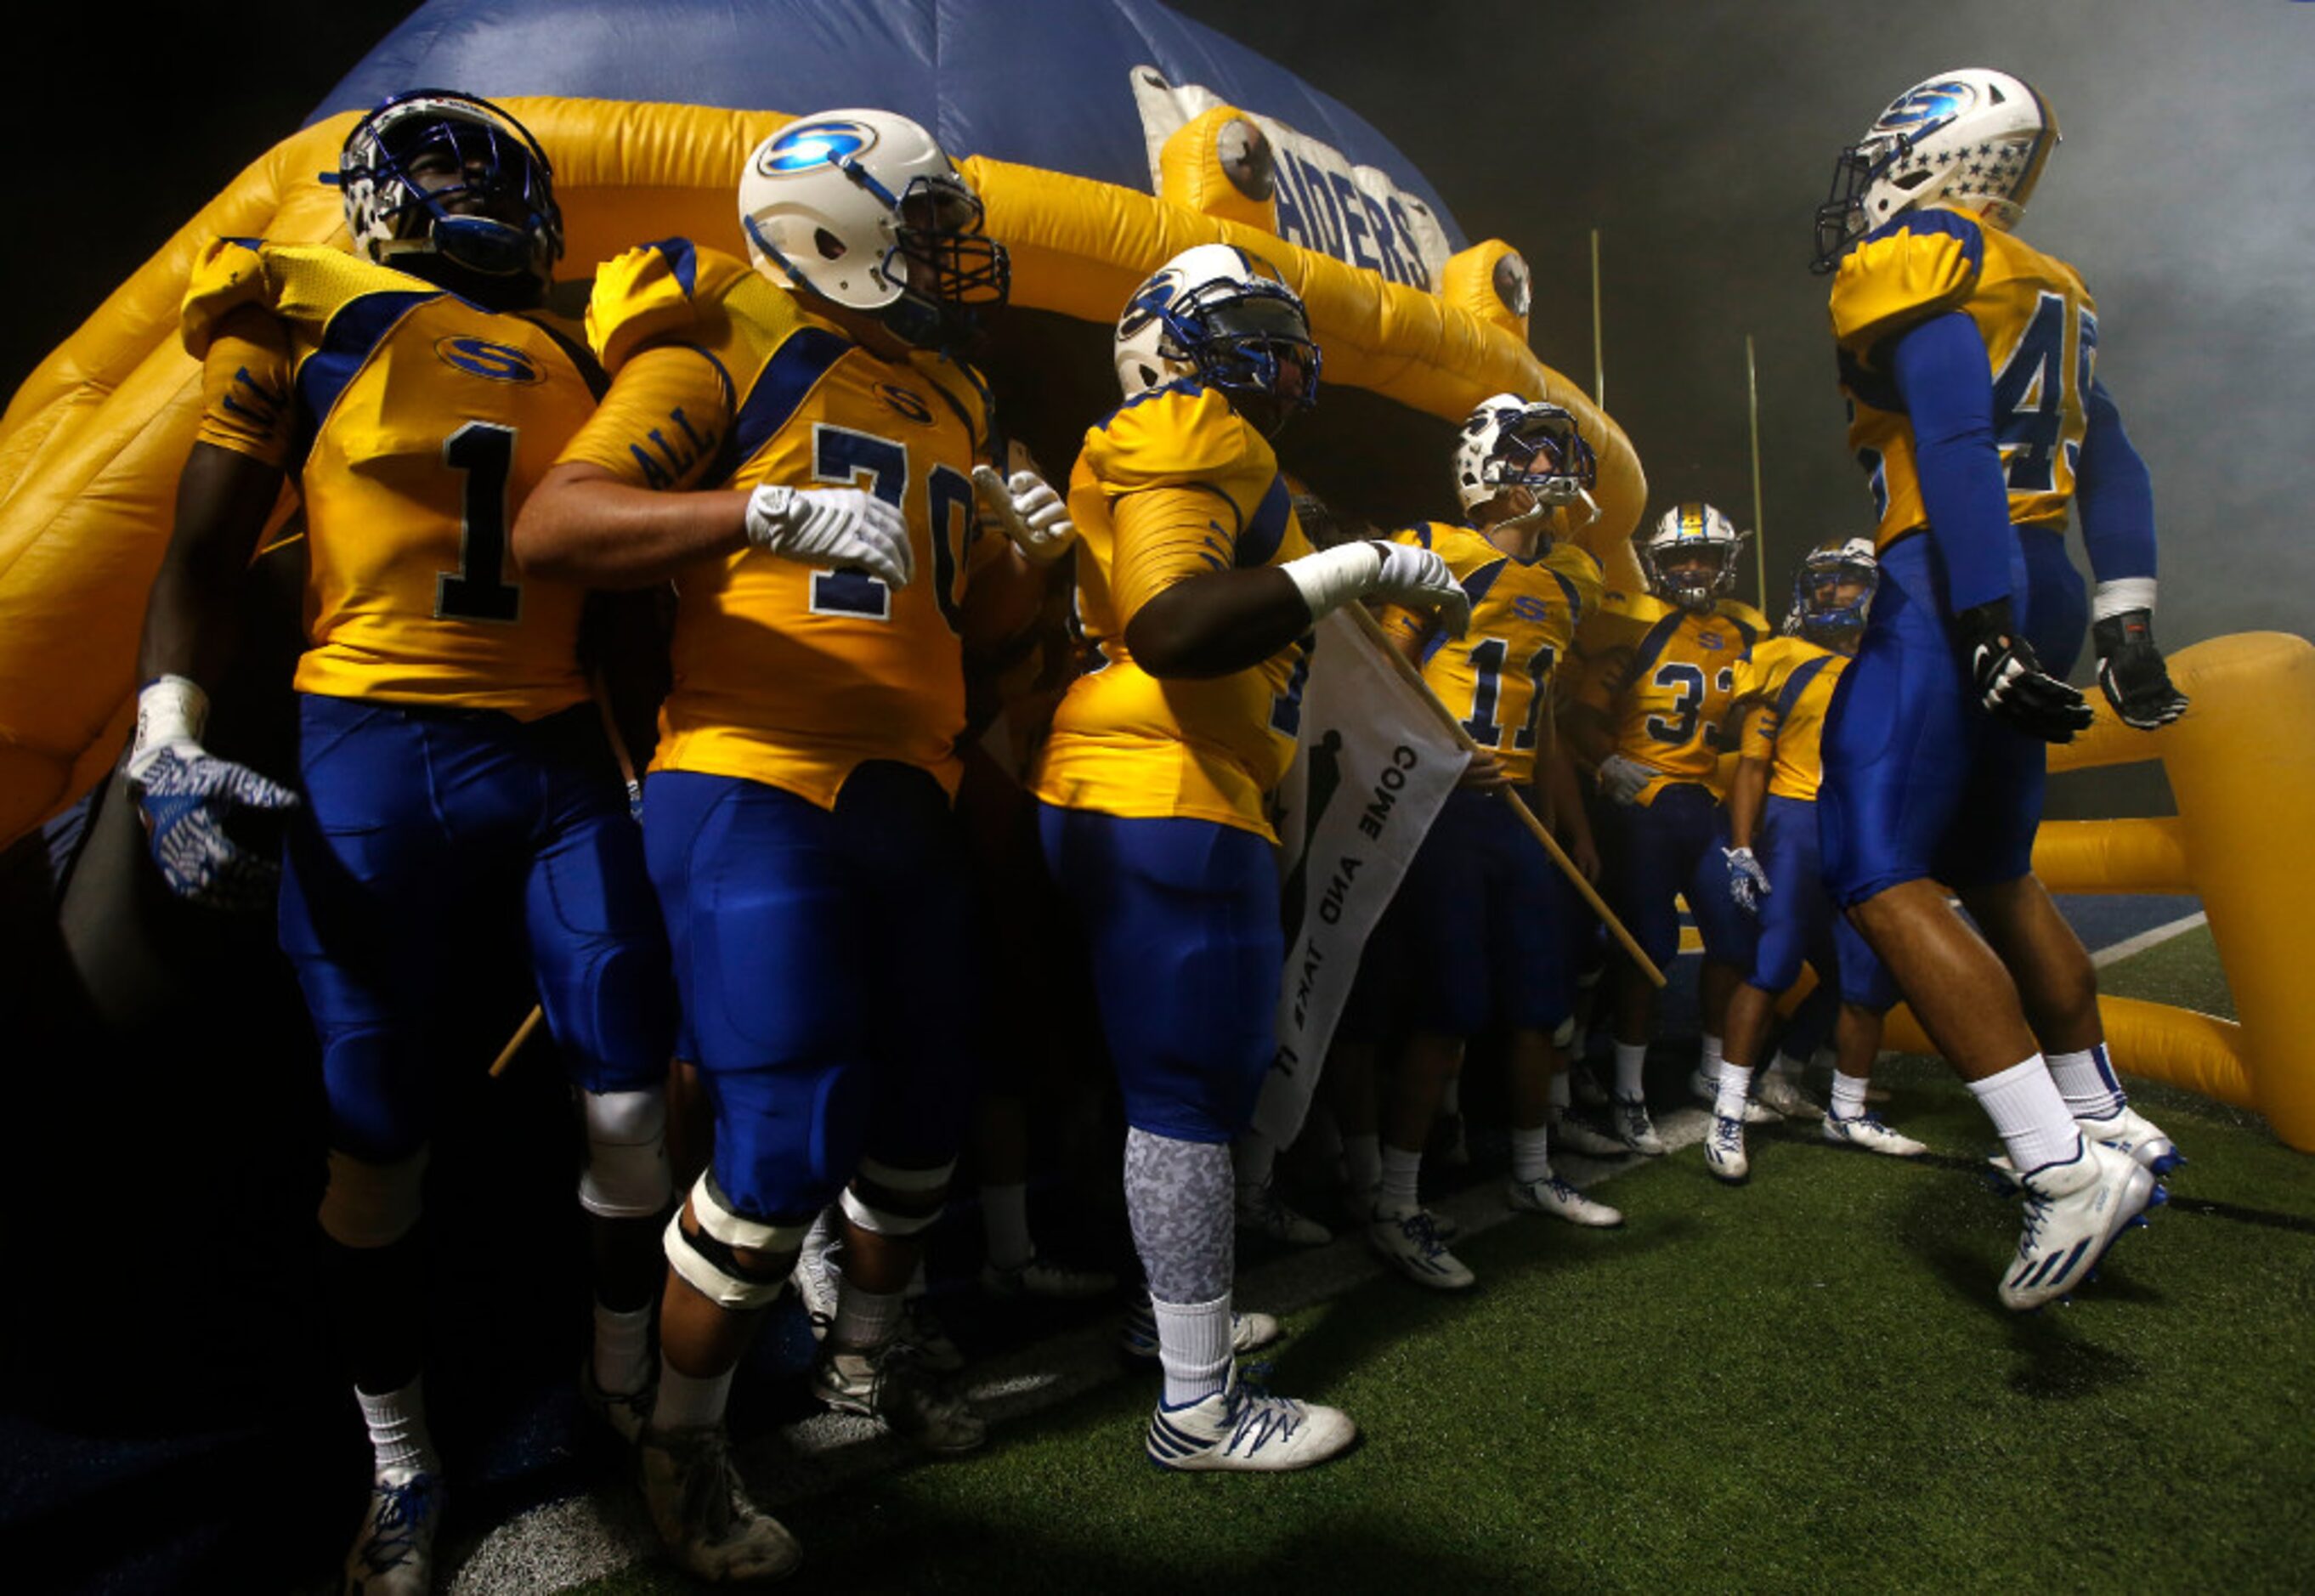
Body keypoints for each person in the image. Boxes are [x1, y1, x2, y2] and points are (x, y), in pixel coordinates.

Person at [129, 90, 677, 1593]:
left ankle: (624, 1381)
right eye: (439, 164)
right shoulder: (296, 319)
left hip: (559, 744)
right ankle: (398, 1454)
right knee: (373, 1128)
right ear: (375, 196)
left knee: (630, 1099)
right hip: (370, 740)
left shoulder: (584, 358)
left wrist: (656, 770)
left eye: (491, 170)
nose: (468, 191)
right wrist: (165, 736)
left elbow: (622, 589)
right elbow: (201, 554)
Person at [515, 108, 1060, 1580]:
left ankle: (868, 1358)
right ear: (830, 224)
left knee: (921, 1121)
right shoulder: (725, 344)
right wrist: (754, 509)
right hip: (754, 777)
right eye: (925, 219)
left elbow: (987, 638)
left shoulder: (953, 385)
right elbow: (555, 525)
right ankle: (678, 1440)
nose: (954, 249)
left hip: (911, 791)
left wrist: (1031, 561)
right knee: (779, 1141)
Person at [1032, 241, 1467, 1469]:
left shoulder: (1215, 441)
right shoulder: (1190, 423)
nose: (1278, 344)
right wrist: (1357, 565)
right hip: (1161, 783)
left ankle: (1161, 1319)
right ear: (1166, 338)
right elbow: (1173, 626)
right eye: (1246, 320)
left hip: (1164, 780)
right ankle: (1197, 1409)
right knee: (1188, 1089)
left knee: (1176, 1088)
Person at [1812, 68, 2187, 1309]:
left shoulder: (1922, 257)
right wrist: (2126, 614)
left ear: (1927, 156)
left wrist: (1975, 618)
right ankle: (2105, 1117)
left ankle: (2058, 1165)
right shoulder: (2055, 283)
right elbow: (2115, 458)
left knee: (1874, 869)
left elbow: (1959, 437)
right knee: (1996, 868)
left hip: (1953, 572)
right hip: (2050, 569)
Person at [1356, 394, 1623, 1290]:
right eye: (1533, 453)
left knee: (1538, 1003)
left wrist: (1569, 823)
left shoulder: (1576, 574)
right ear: (1483, 464)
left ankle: (1531, 1173)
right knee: (1446, 1009)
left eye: (1557, 453)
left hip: (1517, 814)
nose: (1552, 470)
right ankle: (1396, 1202)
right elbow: (1382, 674)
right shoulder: (1439, 549)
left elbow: (1542, 717)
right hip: (1441, 810)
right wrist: (1435, 754)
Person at [1705, 539, 1924, 1182]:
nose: (1832, 593)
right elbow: (1752, 763)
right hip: (1799, 819)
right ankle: (1727, 1111)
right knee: (1772, 964)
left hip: (1866, 829)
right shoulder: (1783, 660)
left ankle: (1846, 1110)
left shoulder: (1895, 664)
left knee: (1867, 976)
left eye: (1847, 582)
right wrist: (1743, 847)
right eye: (1823, 582)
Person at [1563, 503, 1765, 1155]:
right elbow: (1581, 717)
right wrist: (1610, 761)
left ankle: (1711, 1071)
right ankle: (1628, 1092)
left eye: (1705, 555)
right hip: (1643, 802)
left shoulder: (1745, 634)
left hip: (1703, 803)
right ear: (1659, 563)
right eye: (1681, 557)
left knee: (1735, 937)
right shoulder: (1637, 627)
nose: (1695, 567)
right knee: (1646, 950)